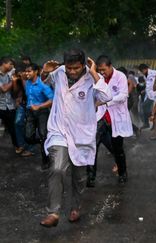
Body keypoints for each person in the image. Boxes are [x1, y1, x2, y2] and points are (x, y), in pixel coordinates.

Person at [40, 49, 112, 227]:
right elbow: (46, 81)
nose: (72, 71)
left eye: (76, 68)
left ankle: (75, 207)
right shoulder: (59, 72)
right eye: (69, 68)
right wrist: (44, 71)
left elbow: (107, 96)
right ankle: (53, 212)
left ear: (84, 65)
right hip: (59, 130)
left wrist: (94, 72)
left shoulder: (91, 78)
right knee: (56, 168)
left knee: (79, 177)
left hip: (82, 133)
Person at [87, 55, 133, 187]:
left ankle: (123, 173)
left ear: (110, 66)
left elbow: (123, 95)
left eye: (104, 69)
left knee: (118, 148)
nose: (102, 72)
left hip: (115, 118)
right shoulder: (97, 77)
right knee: (92, 145)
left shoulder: (120, 77)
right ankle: (91, 177)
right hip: (100, 117)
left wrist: (106, 102)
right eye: (99, 69)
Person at [24, 63, 54, 169]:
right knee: (28, 138)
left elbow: (52, 99)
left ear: (36, 71)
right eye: (26, 71)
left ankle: (46, 160)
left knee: (43, 136)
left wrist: (39, 106)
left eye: (29, 71)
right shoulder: (27, 83)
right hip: (30, 112)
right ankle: (44, 142)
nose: (26, 73)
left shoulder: (43, 85)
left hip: (42, 113)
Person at [0, 56, 18, 153]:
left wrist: (14, 81)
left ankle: (17, 147)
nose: (12, 66)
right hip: (0, 105)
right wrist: (13, 81)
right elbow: (3, 89)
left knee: (13, 128)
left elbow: (14, 92)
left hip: (10, 105)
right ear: (3, 64)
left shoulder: (11, 74)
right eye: (10, 64)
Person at [138, 64, 156, 129]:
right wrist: (144, 90)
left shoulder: (154, 73)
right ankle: (147, 123)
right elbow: (148, 85)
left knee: (153, 110)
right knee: (145, 108)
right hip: (149, 95)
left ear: (144, 69)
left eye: (142, 71)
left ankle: (153, 125)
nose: (142, 72)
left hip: (155, 95)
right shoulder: (144, 76)